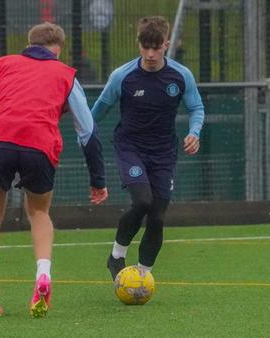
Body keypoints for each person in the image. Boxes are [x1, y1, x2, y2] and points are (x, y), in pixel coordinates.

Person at [0, 22, 108, 317]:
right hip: (39, 145)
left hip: (0, 141)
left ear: (29, 44)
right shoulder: (66, 74)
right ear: (58, 49)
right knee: (39, 213)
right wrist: (97, 179)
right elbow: (88, 132)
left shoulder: (0, 65)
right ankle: (43, 275)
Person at [91, 16, 205, 280]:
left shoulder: (181, 75)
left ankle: (142, 276)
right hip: (130, 148)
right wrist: (83, 133)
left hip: (164, 153)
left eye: (157, 47)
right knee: (142, 201)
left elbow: (196, 108)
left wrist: (194, 133)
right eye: (146, 47)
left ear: (167, 44)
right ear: (139, 44)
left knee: (157, 217)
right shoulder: (122, 76)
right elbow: (99, 110)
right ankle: (117, 256)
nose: (151, 54)